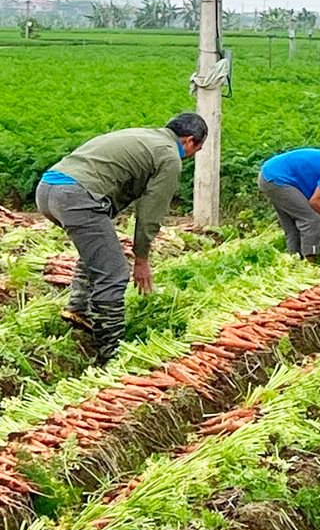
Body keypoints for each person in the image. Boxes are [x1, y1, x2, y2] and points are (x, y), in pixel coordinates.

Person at [35, 112, 207, 362]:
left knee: (98, 250)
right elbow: (150, 212)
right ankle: (110, 352)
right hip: (75, 195)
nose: (194, 154)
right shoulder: (169, 156)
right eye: (198, 149)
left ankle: (79, 308)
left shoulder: (146, 136)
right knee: (114, 273)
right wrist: (141, 259)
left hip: (47, 190)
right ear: (190, 140)